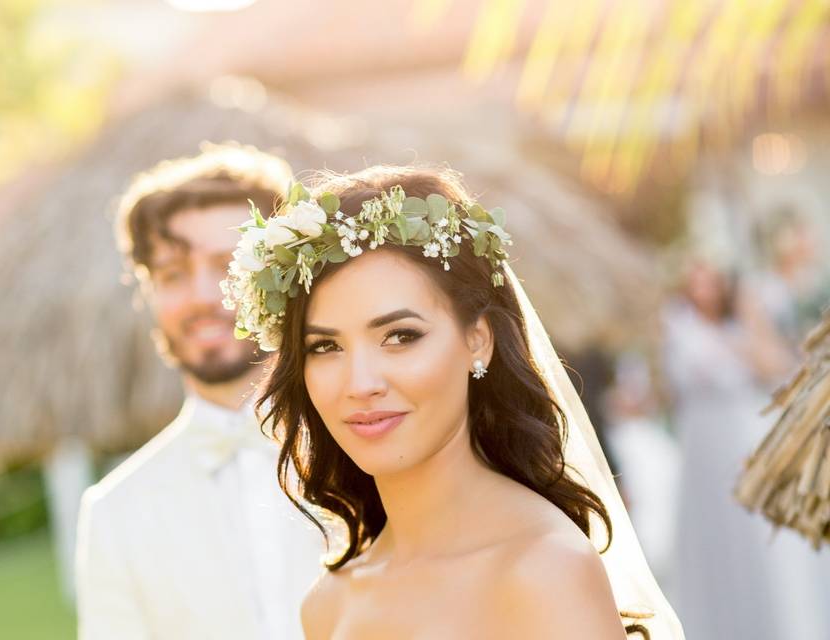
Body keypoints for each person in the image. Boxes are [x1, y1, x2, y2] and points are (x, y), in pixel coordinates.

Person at [222, 165, 684, 638]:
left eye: (400, 336)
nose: (360, 383)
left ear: (478, 341)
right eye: (325, 347)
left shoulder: (543, 569)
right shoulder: (330, 603)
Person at [75, 143, 322, 640]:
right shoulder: (114, 513)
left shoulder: (371, 450)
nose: (203, 297)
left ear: (286, 275)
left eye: (229, 265)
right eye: (172, 274)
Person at [663, 257, 829, 640]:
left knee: (764, 542)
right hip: (706, 447)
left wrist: (751, 320)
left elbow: (775, 369)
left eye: (711, 282)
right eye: (696, 282)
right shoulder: (680, 326)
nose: (703, 290)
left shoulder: (743, 326)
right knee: (720, 535)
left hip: (747, 436)